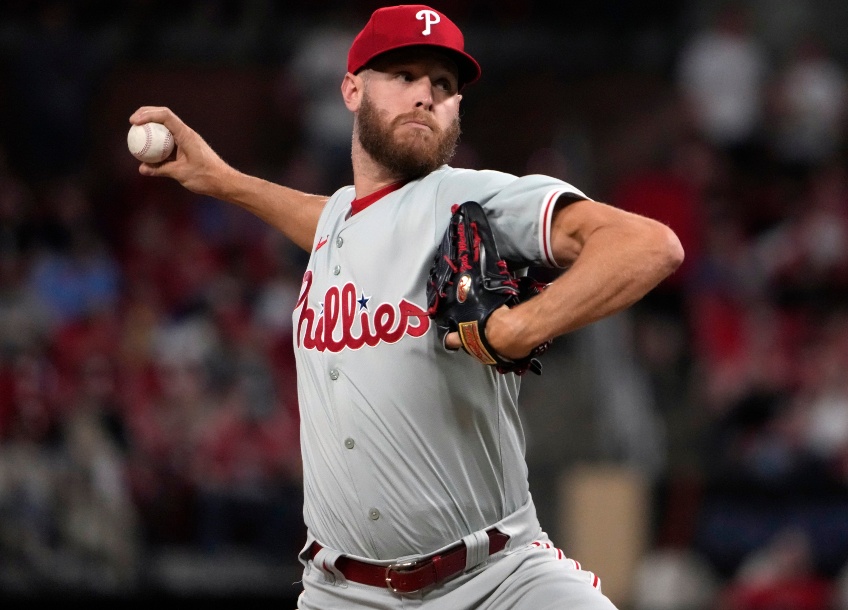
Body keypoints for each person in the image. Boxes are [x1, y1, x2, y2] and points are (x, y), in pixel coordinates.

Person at [129, 5, 683, 609]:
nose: (426, 95)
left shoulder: (469, 197)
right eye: (404, 75)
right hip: (338, 593)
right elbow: (330, 218)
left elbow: (649, 244)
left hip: (496, 581)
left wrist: (522, 324)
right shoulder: (341, 219)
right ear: (351, 89)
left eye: (443, 85)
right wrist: (222, 179)